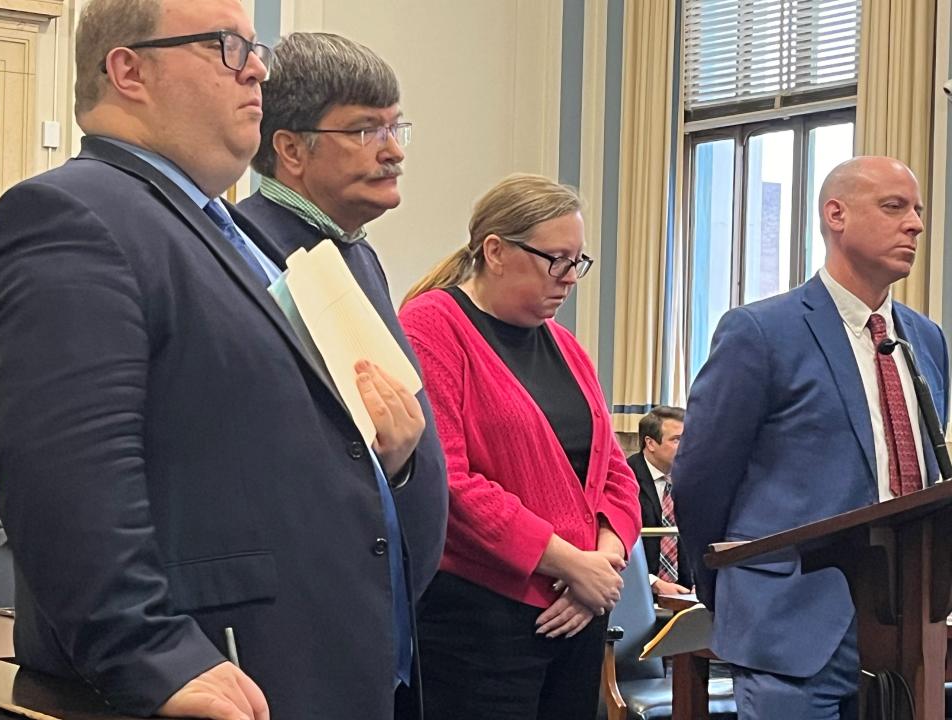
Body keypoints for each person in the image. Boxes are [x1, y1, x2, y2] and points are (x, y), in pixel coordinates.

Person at [0, 1, 446, 719]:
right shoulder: (73, 214)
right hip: (226, 675)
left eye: (254, 48)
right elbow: (64, 472)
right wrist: (150, 653)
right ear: (128, 70)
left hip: (324, 661)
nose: (258, 68)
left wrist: (394, 461)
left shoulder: (235, 234)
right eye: (227, 47)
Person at [672, 156, 949, 719]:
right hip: (790, 625)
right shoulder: (760, 331)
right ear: (836, 215)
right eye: (895, 207)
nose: (916, 224)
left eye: (918, 210)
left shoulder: (926, 338)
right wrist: (726, 582)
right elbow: (700, 478)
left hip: (906, 628)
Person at [398, 173, 642, 720]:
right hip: (479, 622)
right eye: (556, 259)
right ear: (496, 251)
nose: (570, 278)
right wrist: (569, 564)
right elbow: (447, 480)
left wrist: (600, 563)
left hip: (579, 611)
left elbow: (613, 472)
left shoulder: (566, 346)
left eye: (578, 261)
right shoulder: (431, 326)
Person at [237, 32, 447, 598]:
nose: (394, 150)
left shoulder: (355, 251)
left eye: (395, 127)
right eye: (364, 130)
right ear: (292, 150)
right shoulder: (248, 254)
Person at [626, 406, 691, 595]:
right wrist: (653, 583)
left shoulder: (695, 478)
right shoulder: (624, 477)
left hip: (687, 594)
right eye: (677, 440)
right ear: (651, 443)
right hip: (636, 591)